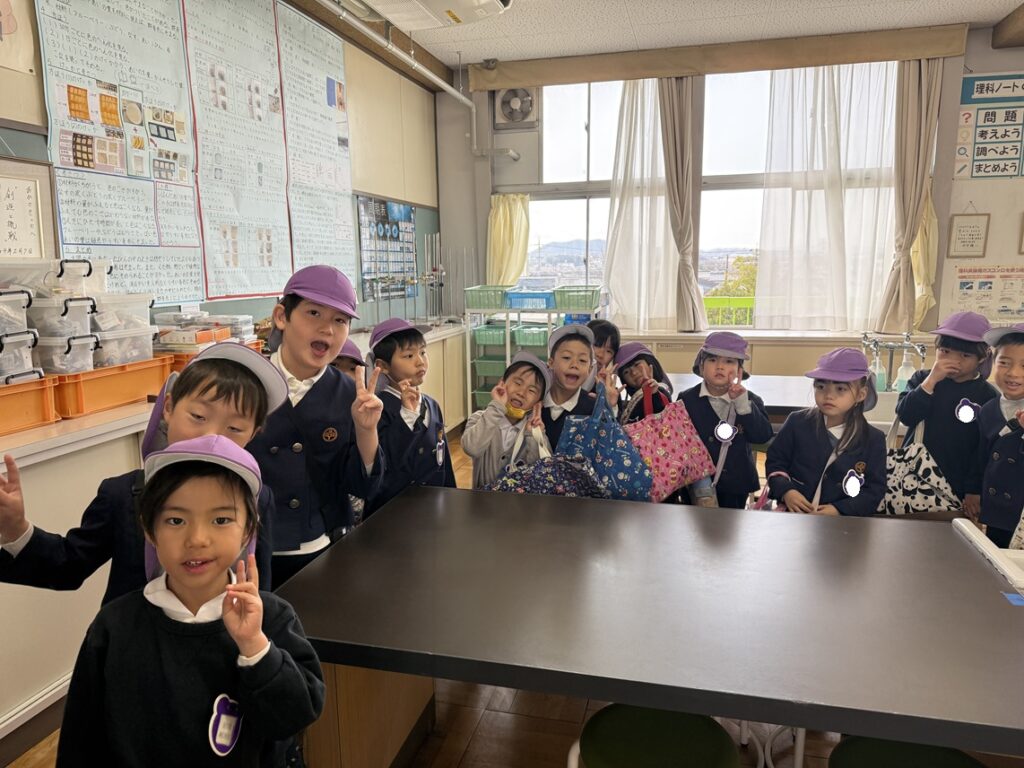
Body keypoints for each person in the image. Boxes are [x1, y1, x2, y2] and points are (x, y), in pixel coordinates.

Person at [55, 435, 324, 765]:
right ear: (149, 530)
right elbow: (81, 739)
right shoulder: (114, 627)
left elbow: (295, 717)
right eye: (176, 520)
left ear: (248, 531)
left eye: (221, 520)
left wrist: (254, 646)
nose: (197, 539)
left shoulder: (272, 618)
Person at [0, 343, 287, 603]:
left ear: (253, 434)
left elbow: (259, 588)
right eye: (198, 416)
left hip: (225, 638)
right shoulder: (122, 495)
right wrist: (16, 529)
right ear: (169, 408)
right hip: (132, 640)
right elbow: (68, 566)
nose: (211, 436)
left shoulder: (257, 499)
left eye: (234, 428)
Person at [249, 265, 384, 589]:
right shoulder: (245, 384)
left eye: (340, 320)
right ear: (282, 316)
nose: (327, 329)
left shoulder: (351, 393)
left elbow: (363, 487)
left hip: (323, 544)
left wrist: (367, 430)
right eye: (313, 313)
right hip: (251, 548)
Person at [895, 312, 997, 520]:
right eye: (945, 351)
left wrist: (974, 489)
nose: (953, 361)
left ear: (982, 358)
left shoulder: (987, 395)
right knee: (907, 530)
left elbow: (983, 449)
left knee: (948, 534)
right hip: (913, 476)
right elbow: (906, 415)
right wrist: (931, 382)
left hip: (957, 483)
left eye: (965, 356)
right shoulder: (922, 379)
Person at [765, 348, 886, 516]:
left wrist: (839, 509)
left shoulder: (873, 439)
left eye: (840, 389)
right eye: (821, 386)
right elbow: (775, 462)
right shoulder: (797, 423)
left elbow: (874, 490)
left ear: (861, 394)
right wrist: (787, 491)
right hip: (794, 517)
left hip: (844, 524)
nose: (828, 395)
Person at [365, 319, 455, 514]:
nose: (420, 361)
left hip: (433, 507)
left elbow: (443, 458)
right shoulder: (377, 410)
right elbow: (385, 464)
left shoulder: (431, 404)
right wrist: (406, 415)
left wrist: (451, 496)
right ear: (382, 366)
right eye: (408, 355)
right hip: (393, 513)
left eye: (422, 352)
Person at [677, 332, 773, 510]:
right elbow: (678, 440)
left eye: (729, 361)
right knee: (694, 524)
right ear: (701, 365)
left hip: (735, 484)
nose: (720, 366)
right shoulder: (687, 399)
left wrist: (742, 405)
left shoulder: (750, 400)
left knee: (731, 525)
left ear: (739, 370)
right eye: (712, 360)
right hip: (696, 484)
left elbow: (762, 436)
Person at [461, 351, 552, 489]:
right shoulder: (480, 418)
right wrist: (496, 408)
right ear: (502, 383)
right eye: (518, 383)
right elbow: (471, 448)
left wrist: (533, 434)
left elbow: (542, 470)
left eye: (532, 391)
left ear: (537, 403)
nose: (521, 393)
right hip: (483, 500)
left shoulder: (535, 430)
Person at [976, 323, 1024, 547]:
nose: (1014, 373)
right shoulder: (988, 409)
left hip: (1020, 511)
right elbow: (979, 457)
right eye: (1004, 362)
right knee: (997, 558)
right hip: (997, 510)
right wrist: (973, 491)